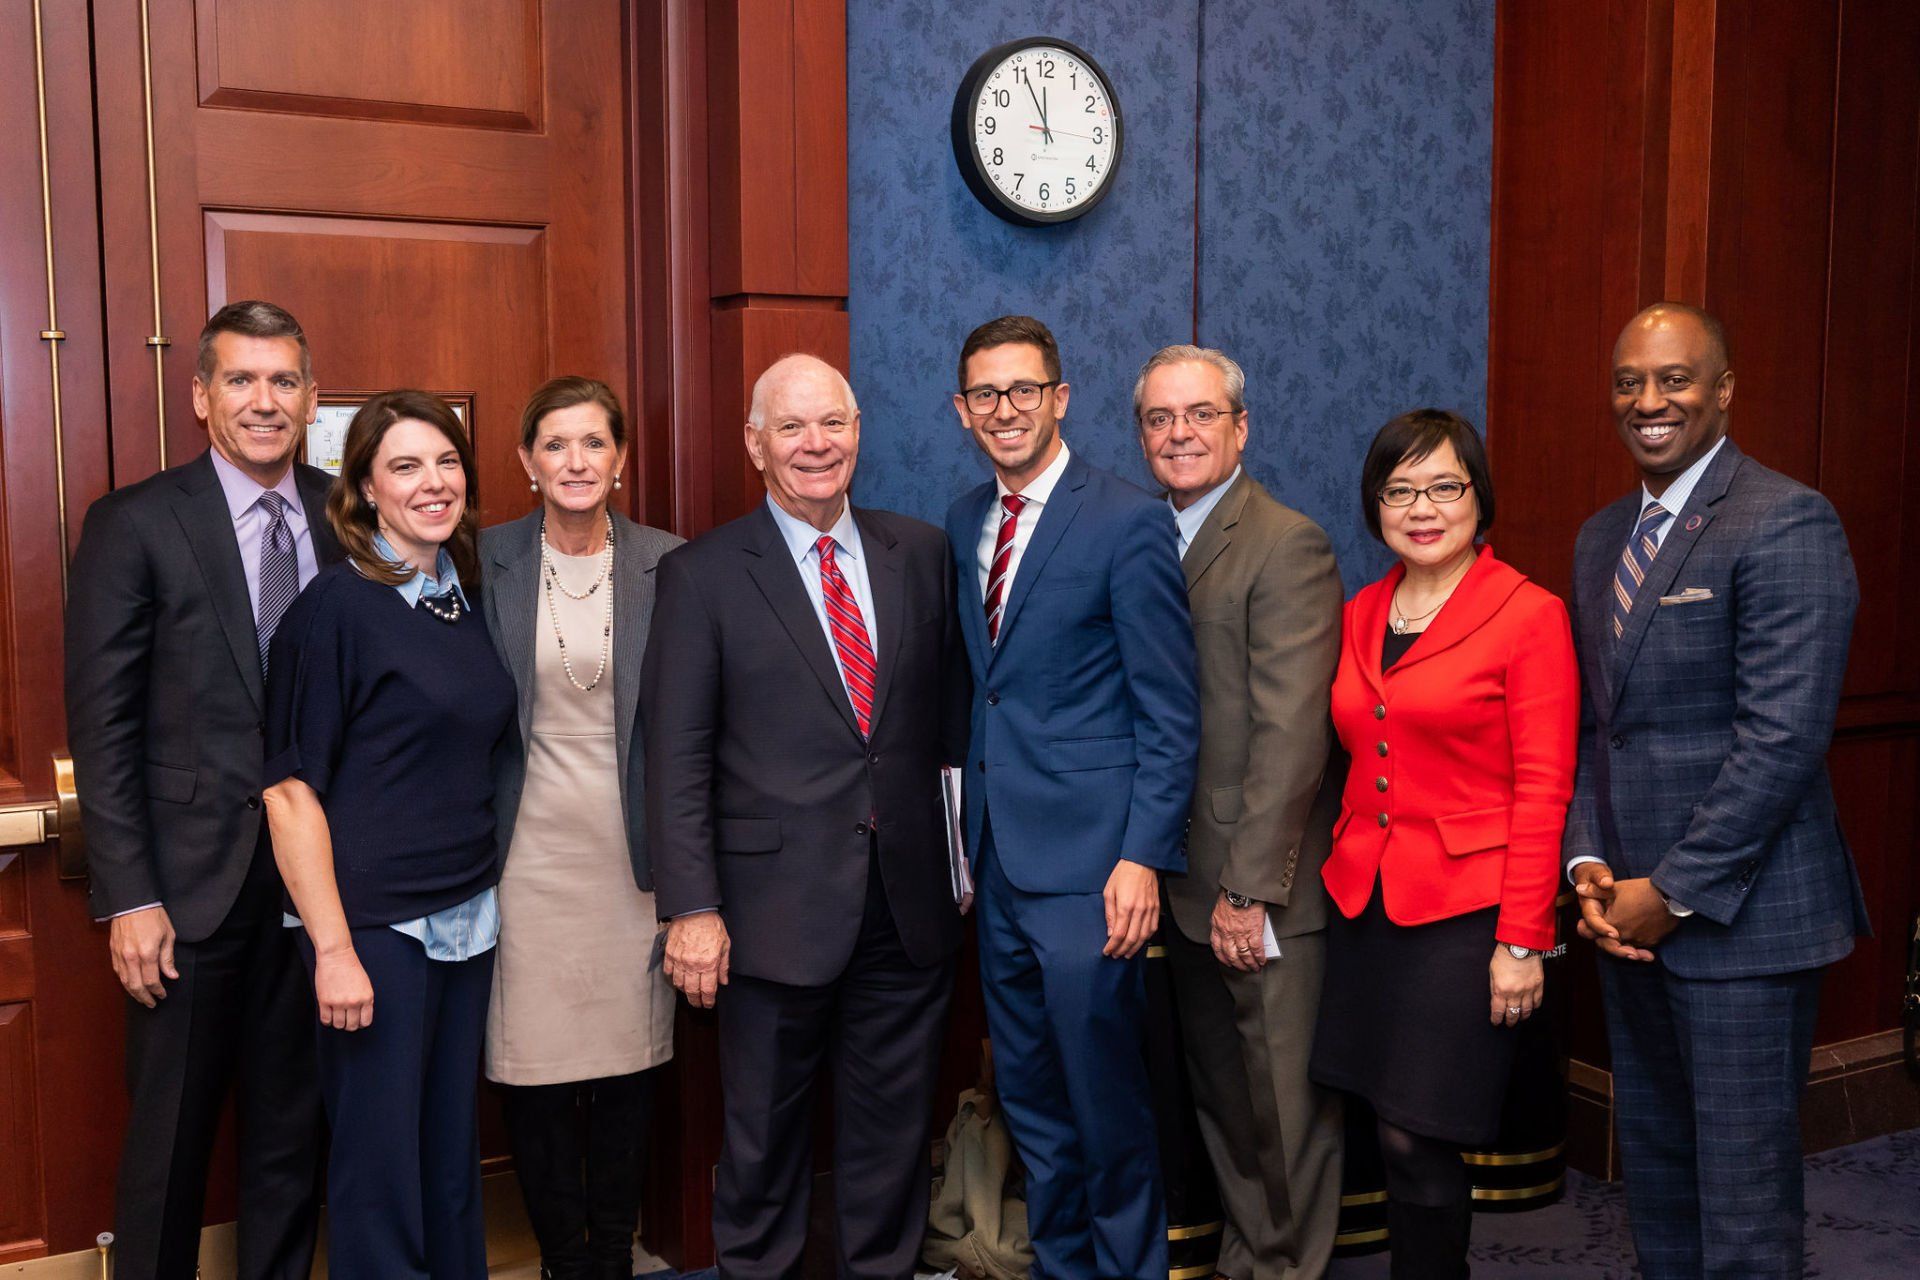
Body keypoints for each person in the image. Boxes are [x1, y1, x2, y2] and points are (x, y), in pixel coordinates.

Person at [642, 354, 967, 1280]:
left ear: (858, 433)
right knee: (763, 1149)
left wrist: (960, 869)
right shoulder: (701, 575)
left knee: (893, 1143)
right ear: (755, 444)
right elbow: (676, 757)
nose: (816, 445)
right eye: (791, 428)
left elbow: (948, 731)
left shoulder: (922, 553)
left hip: (905, 911)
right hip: (765, 916)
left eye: (832, 424)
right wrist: (691, 908)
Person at [1566, 303, 1866, 1280]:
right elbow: (1595, 727)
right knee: (1655, 1174)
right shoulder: (1601, 535)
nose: (1648, 400)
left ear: (1724, 387)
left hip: (1743, 921)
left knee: (1741, 1197)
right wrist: (1591, 864)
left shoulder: (1785, 518)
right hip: (1627, 916)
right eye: (1628, 381)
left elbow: (1781, 740)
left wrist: (1673, 889)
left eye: (1674, 378)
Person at [65, 300, 332, 1280]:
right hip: (186, 898)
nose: (263, 401)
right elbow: (103, 726)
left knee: (293, 1143)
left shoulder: (349, 514)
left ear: (309, 395)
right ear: (200, 395)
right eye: (240, 380)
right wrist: (129, 895)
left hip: (319, 898)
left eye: (282, 381)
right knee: (170, 1150)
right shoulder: (137, 521)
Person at [944, 316, 1199, 1280]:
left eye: (1023, 390)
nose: (1005, 410)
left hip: (1095, 872)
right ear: (963, 413)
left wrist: (1142, 857)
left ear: (1060, 398)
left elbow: (1170, 713)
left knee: (1106, 1113)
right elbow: (988, 692)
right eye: (985, 395)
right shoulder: (966, 516)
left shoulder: (1129, 518)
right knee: (1036, 1108)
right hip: (1001, 866)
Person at [1309, 409, 1575, 1280]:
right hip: (1365, 904)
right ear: (1376, 504)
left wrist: (1523, 939)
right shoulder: (1361, 611)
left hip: (1468, 914)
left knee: (1418, 1132)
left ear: (1479, 497)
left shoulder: (1528, 614)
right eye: (1399, 490)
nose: (1422, 507)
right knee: (1382, 1125)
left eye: (1444, 486)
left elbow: (1545, 787)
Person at [262, 390, 517, 1280]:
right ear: (365, 488)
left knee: (449, 1158)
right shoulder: (334, 608)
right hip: (373, 930)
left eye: (446, 462)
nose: (433, 483)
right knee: (379, 1172)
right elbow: (290, 793)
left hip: (465, 914)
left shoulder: (462, 593)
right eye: (405, 466)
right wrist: (333, 948)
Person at [1134, 345, 1345, 1280]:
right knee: (1224, 1100)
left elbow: (1293, 734)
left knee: (1282, 1111)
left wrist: (1249, 889)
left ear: (1241, 427)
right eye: (1159, 419)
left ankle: (1292, 1267)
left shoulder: (1285, 541)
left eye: (1200, 414)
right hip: (1180, 880)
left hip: (1257, 885)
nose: (1179, 433)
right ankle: (1251, 1262)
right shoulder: (1150, 535)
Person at [480, 376, 682, 1280]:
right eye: (555, 445)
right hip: (520, 861)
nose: (575, 461)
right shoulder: (478, 562)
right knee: (531, 1067)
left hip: (633, 860)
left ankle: (610, 1255)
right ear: (527, 463)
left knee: (628, 1066)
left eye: (594, 443)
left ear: (622, 459)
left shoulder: (672, 565)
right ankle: (564, 1260)